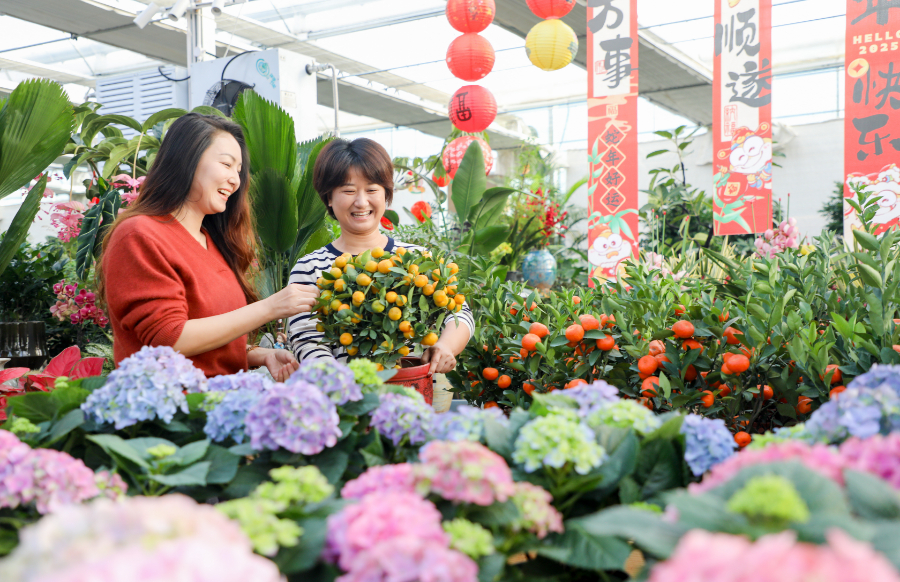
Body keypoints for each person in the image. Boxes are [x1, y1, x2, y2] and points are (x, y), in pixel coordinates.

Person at [99, 113, 318, 380]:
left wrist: (260, 354)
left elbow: (208, 340)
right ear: (186, 160)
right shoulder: (139, 234)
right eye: (226, 164)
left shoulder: (212, 241)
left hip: (221, 408)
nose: (236, 180)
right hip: (173, 411)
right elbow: (168, 339)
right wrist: (271, 307)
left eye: (238, 171)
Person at [288, 138, 473, 374]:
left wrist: (445, 346)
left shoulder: (416, 259)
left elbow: (459, 312)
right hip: (346, 394)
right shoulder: (311, 268)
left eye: (372, 189)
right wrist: (335, 378)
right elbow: (306, 338)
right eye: (348, 190)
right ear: (329, 198)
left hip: (413, 388)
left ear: (386, 194)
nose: (361, 201)